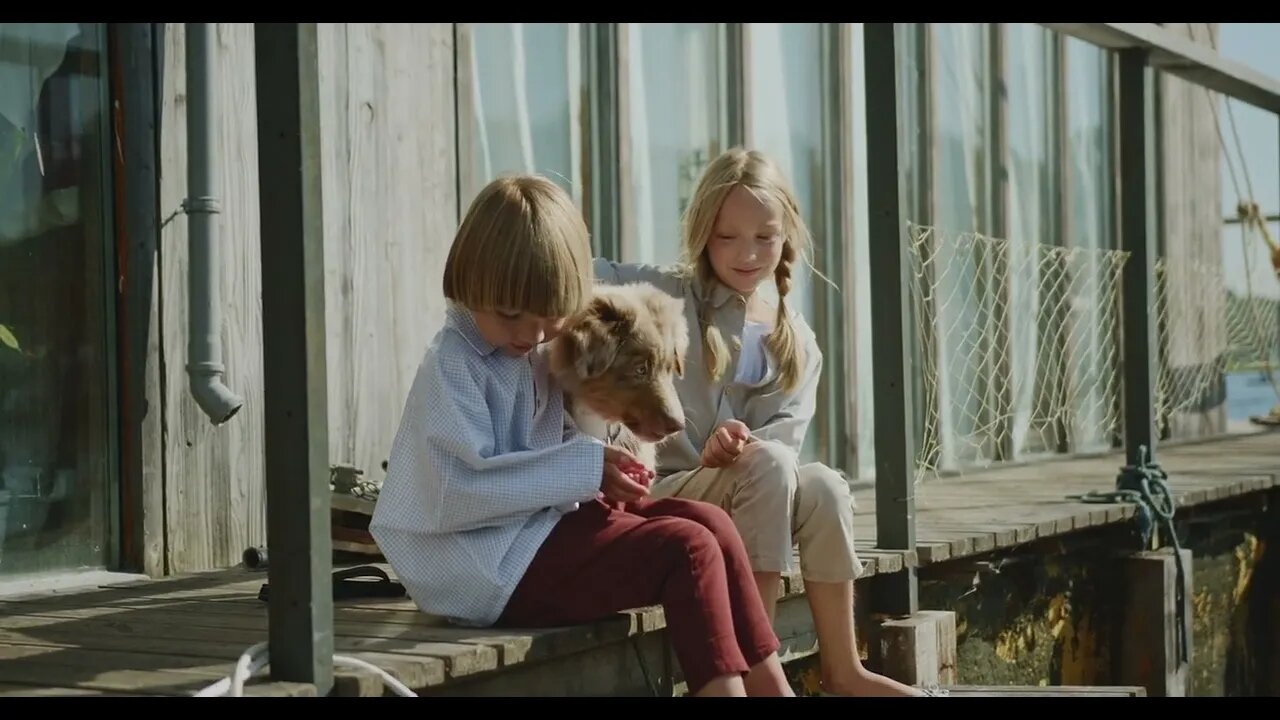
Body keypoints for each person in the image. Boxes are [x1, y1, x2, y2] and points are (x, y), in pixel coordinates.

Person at [369, 173, 795, 698]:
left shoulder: (523, 353)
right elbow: (457, 491)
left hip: (534, 535)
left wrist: (605, 469)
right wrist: (585, 468)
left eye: (548, 319)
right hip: (484, 566)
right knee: (685, 550)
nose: (529, 334)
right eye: (509, 316)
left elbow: (559, 451)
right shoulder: (453, 366)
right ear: (469, 284)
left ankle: (774, 688)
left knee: (710, 523)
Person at [594, 147, 941, 697]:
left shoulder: (798, 339)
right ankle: (761, 665)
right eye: (727, 236)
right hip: (665, 494)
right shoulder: (666, 293)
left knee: (825, 484)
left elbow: (779, 446)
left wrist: (737, 447)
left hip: (750, 490)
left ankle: (843, 670)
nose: (746, 253)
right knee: (773, 466)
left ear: (788, 235)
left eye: (764, 235)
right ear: (704, 234)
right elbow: (580, 275)